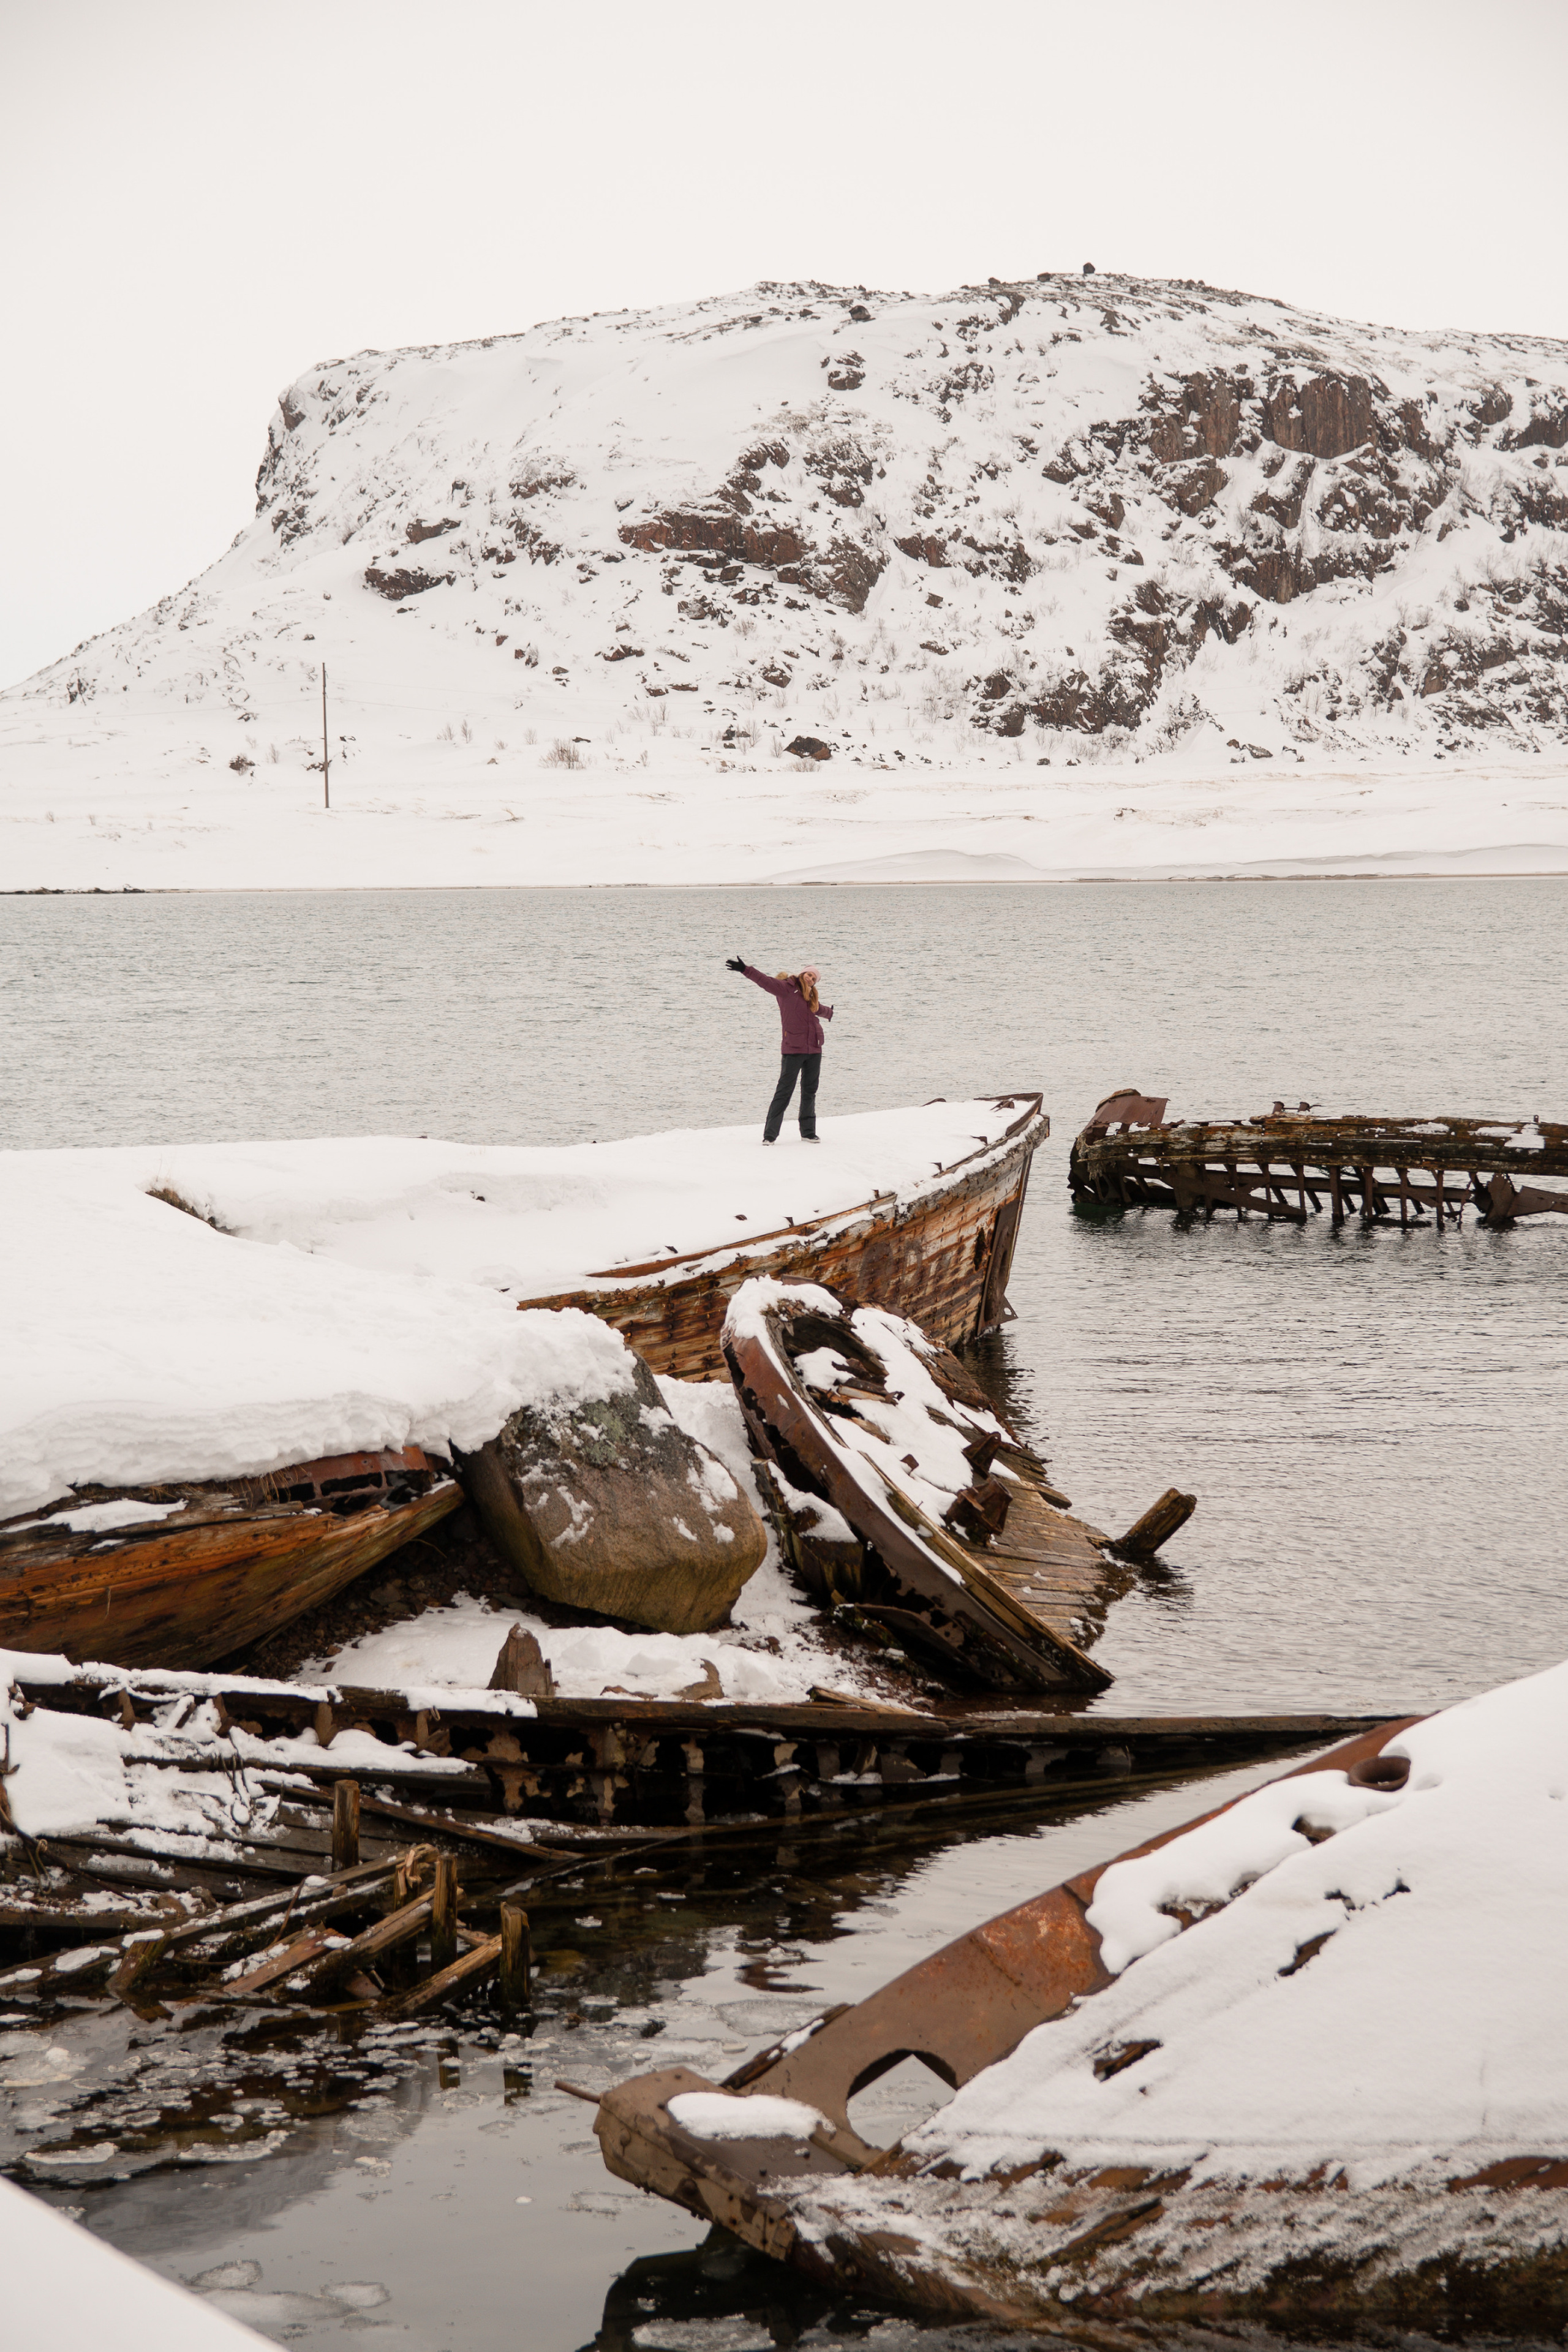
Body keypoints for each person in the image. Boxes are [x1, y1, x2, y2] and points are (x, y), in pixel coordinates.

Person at [725, 957, 834, 1142]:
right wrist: (745, 969)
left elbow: (817, 1010)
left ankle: (808, 1133)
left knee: (810, 1091)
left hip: (815, 1050)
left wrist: (829, 1013)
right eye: (809, 975)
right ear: (803, 973)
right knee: (784, 1092)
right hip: (793, 1049)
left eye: (814, 979)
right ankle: (770, 1135)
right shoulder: (786, 989)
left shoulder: (811, 997)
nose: (811, 979)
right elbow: (765, 981)